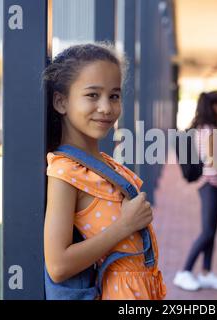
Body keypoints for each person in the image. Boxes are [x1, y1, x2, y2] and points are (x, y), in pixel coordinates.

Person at [43, 43, 166, 300]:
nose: (106, 108)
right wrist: (125, 225)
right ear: (61, 101)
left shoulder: (104, 164)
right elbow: (58, 266)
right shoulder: (65, 171)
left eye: (114, 96)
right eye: (92, 95)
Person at [173, 91, 217, 291]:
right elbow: (212, 162)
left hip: (215, 184)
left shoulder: (211, 128)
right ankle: (184, 272)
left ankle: (206, 273)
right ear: (215, 107)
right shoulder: (210, 130)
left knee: (211, 231)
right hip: (210, 184)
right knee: (208, 232)